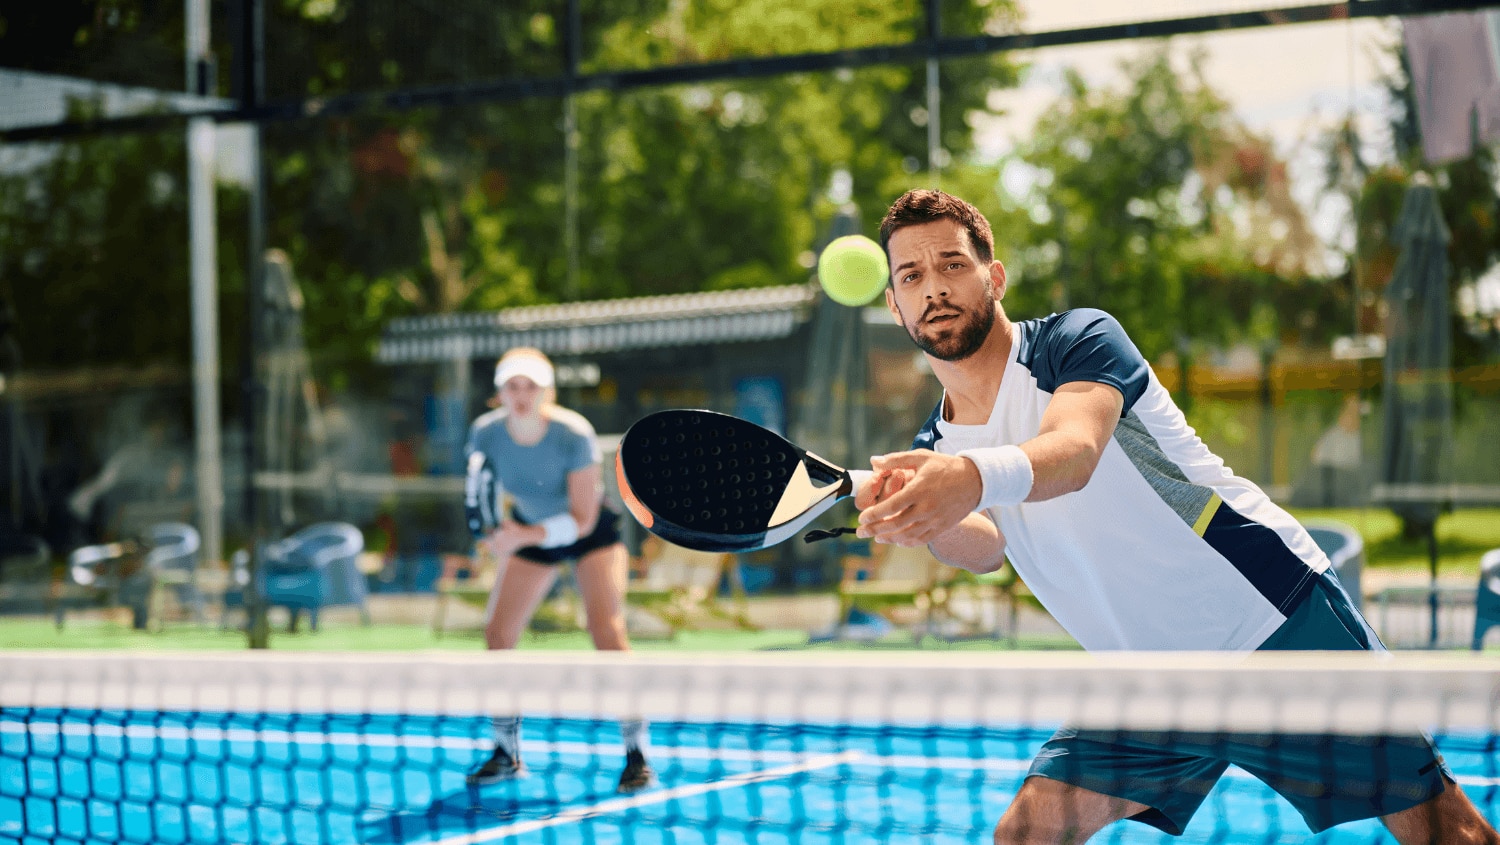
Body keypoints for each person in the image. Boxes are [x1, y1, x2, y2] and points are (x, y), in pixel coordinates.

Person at [851, 189, 1499, 844]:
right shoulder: (935, 443)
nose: (934, 287)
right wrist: (921, 517)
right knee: (1025, 834)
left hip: (1271, 624)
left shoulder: (1078, 340)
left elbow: (1072, 453)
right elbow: (988, 545)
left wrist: (967, 479)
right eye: (912, 275)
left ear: (994, 276)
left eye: (952, 265)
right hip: (1147, 680)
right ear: (894, 303)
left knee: (1451, 834)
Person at [458, 347, 654, 794]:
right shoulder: (484, 434)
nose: (522, 395)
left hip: (591, 534)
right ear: (499, 393)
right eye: (512, 386)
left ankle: (636, 753)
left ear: (548, 391)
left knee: (606, 631)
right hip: (530, 530)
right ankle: (506, 751)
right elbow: (481, 496)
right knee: (498, 635)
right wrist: (495, 535)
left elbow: (581, 519)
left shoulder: (572, 433)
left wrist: (520, 537)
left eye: (531, 386)